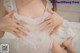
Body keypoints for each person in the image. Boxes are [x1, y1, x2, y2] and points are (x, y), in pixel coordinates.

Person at [0, 0, 80, 53]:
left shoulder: (46, 2)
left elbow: (51, 29)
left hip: (46, 42)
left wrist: (60, 20)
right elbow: (1, 35)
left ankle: (67, 45)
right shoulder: (6, 3)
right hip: (18, 46)